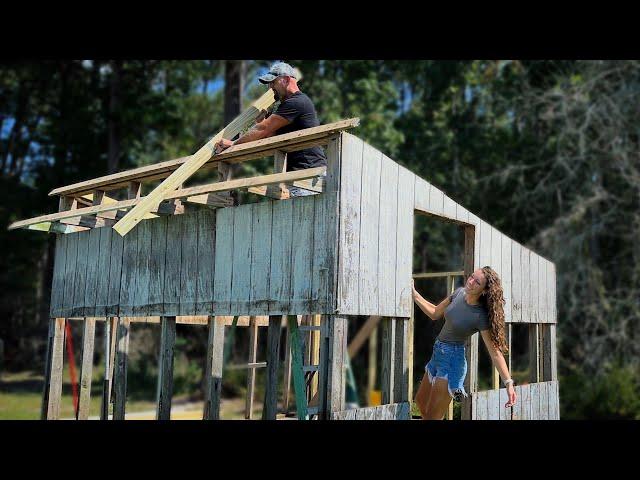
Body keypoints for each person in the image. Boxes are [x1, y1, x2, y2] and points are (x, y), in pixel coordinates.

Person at [412, 266, 517, 420]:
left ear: (484, 290)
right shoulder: (458, 293)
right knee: (420, 403)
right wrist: (414, 294)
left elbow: (495, 352)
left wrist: (508, 383)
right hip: (437, 354)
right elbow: (434, 313)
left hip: (452, 360)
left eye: (477, 282)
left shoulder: (480, 316)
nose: (471, 282)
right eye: (472, 277)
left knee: (432, 417)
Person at [214, 61, 327, 197]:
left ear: (285, 80)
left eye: (273, 82)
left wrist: (233, 144)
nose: (270, 87)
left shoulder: (297, 102)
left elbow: (262, 129)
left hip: (308, 174)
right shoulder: (287, 105)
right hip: (300, 175)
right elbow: (268, 135)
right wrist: (262, 122)